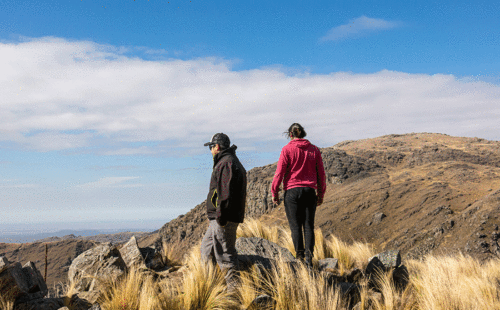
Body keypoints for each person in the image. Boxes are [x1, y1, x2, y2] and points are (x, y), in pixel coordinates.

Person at [271, 123, 326, 267]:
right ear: (303, 133)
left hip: (292, 192)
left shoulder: (287, 149)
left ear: (290, 134)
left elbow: (279, 173)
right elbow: (321, 174)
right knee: (308, 226)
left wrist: (274, 192)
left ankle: (299, 258)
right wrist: (320, 194)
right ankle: (309, 259)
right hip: (309, 192)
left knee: (295, 227)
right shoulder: (314, 150)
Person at [200, 132, 247, 290]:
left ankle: (235, 294)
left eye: (211, 147)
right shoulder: (228, 161)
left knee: (225, 257)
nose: (211, 150)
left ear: (217, 146)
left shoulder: (226, 163)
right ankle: (211, 288)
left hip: (223, 218)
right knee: (207, 250)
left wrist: (220, 217)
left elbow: (225, 194)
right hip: (220, 217)